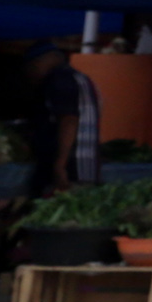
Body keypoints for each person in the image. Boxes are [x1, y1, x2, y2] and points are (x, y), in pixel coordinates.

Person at [22, 42, 102, 199]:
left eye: (31, 67)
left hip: (71, 169)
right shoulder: (80, 78)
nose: (31, 74)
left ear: (42, 61)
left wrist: (60, 165)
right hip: (86, 166)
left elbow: (69, 120)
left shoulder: (59, 79)